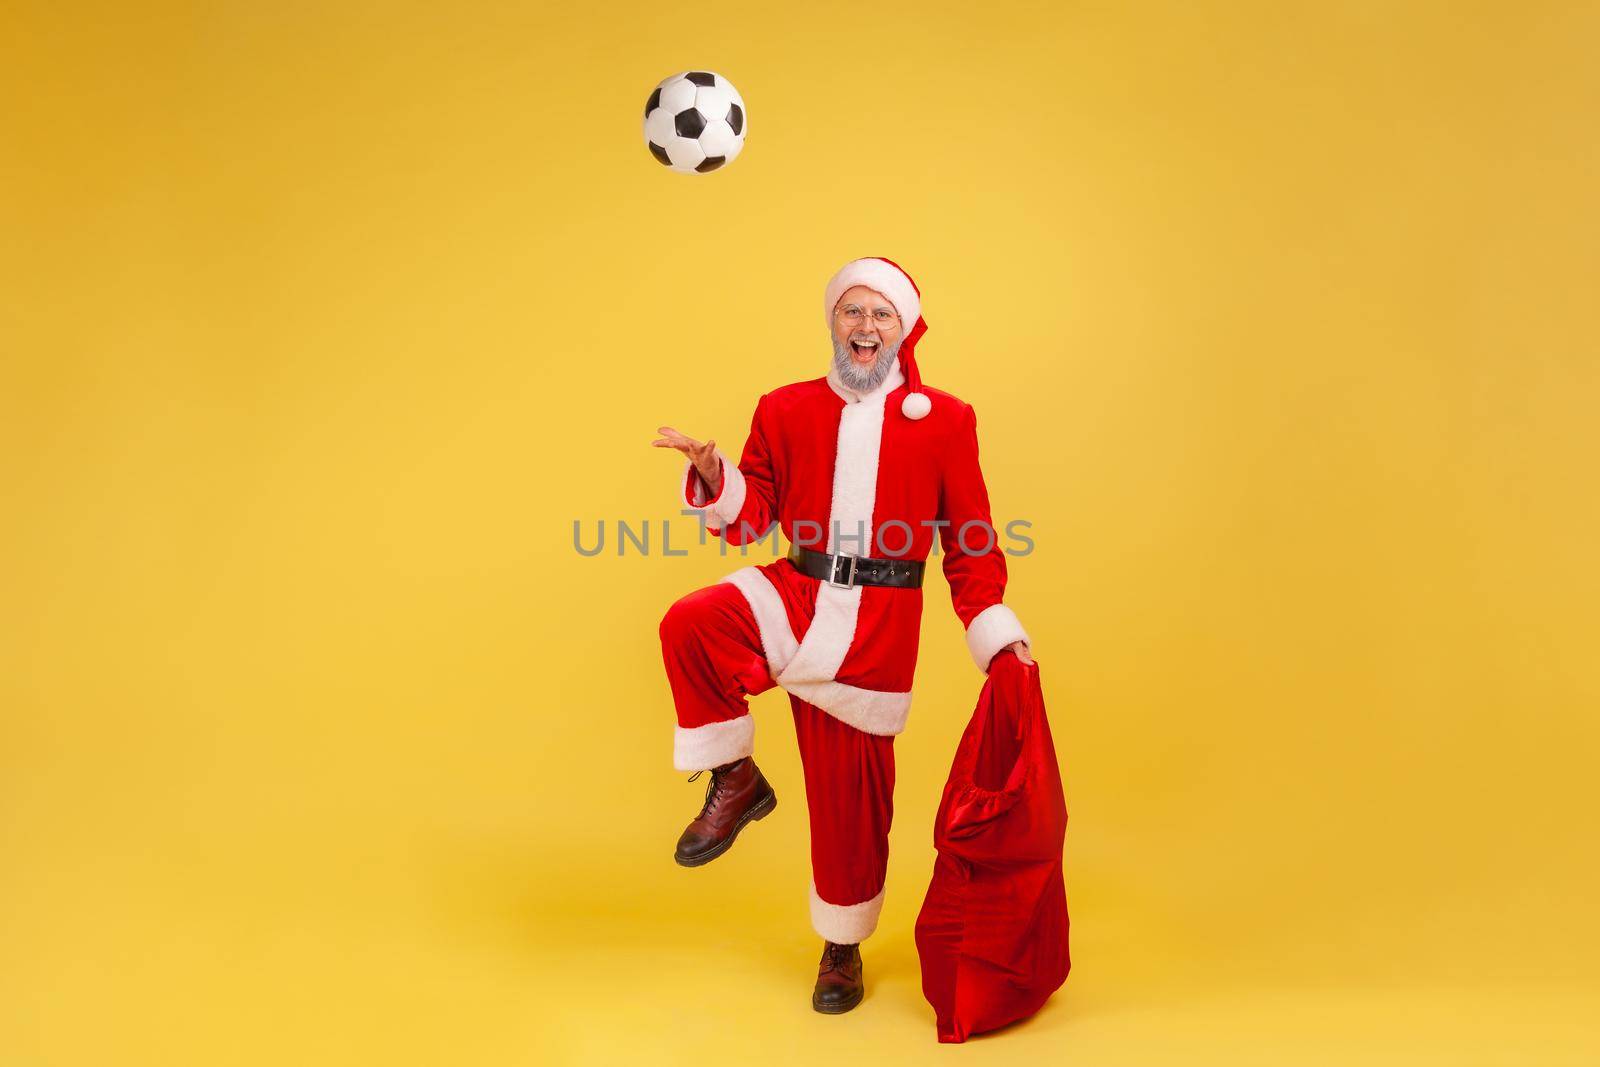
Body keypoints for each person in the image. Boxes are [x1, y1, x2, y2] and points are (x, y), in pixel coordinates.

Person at [653, 257, 1032, 1014]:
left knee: (851, 801)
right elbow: (753, 515)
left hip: (877, 633)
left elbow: (972, 540)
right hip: (797, 592)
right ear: (833, 322)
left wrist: (994, 633)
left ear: (903, 329)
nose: (864, 327)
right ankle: (736, 778)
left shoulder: (947, 421)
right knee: (691, 622)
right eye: (851, 312)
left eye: (880, 315)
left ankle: (841, 945)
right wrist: (715, 473)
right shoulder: (785, 408)